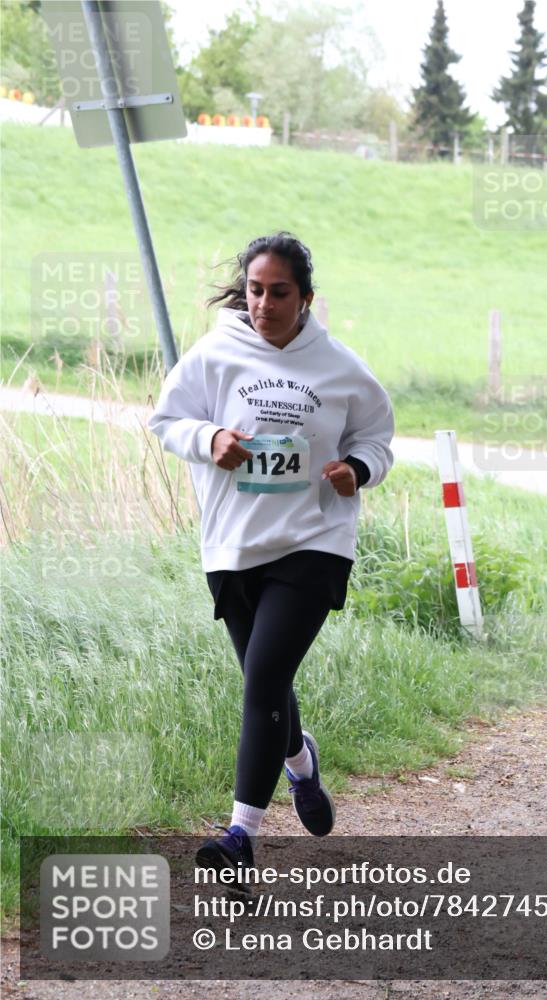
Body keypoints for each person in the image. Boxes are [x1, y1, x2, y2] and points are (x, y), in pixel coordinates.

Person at [147, 232, 394, 882]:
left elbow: (377, 436)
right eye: (255, 290)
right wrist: (210, 437)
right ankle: (300, 765)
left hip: (314, 543)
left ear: (306, 297)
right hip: (234, 546)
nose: (263, 304)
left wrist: (358, 468)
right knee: (268, 683)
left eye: (278, 292)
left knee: (262, 680)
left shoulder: (340, 366)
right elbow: (167, 421)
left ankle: (240, 837)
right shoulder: (215, 354)